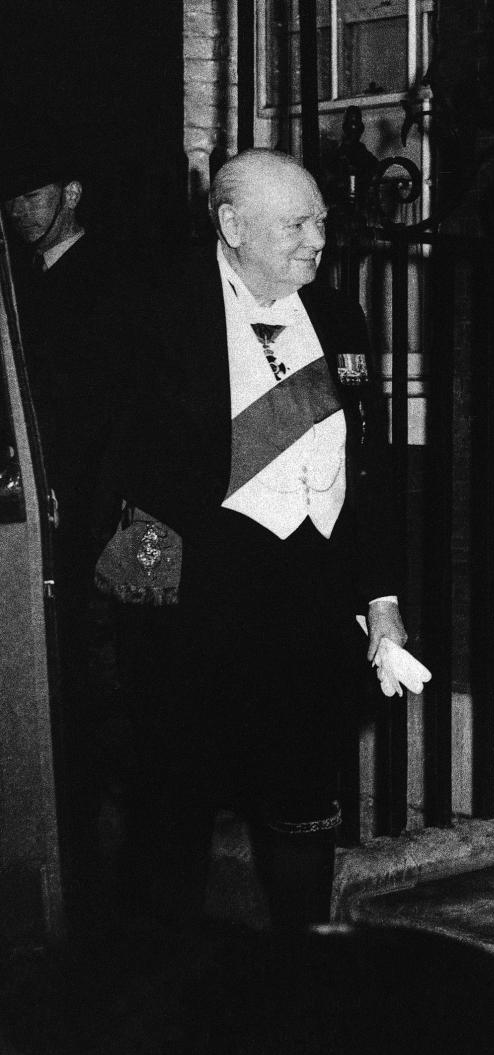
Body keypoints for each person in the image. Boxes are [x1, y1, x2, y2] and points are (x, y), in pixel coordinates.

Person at [100, 148, 409, 929]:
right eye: (296, 225)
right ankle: (161, 1002)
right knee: (174, 814)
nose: (317, 240)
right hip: (196, 617)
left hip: (306, 615)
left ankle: (305, 979)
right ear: (231, 225)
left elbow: (361, 472)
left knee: (304, 803)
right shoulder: (154, 312)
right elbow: (122, 475)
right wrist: (143, 617)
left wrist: (382, 600)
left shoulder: (339, 316)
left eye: (321, 224)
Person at [1, 146, 133, 921]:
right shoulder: (25, 283)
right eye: (11, 197)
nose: (19, 208)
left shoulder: (109, 280)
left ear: (72, 194)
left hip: (86, 516)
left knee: (94, 681)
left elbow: (111, 412)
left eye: (33, 192)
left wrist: (80, 497)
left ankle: (103, 867)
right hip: (43, 517)